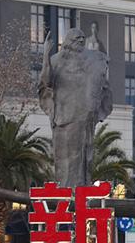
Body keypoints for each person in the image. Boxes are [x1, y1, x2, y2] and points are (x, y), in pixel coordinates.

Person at [38, 28, 112, 187]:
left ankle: (78, 190)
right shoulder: (56, 60)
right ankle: (68, 191)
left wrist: (96, 107)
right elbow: (46, 82)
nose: (81, 41)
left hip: (84, 114)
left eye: (82, 38)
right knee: (63, 156)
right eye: (77, 38)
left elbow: (102, 85)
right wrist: (45, 56)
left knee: (82, 155)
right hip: (63, 115)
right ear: (68, 40)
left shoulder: (93, 59)